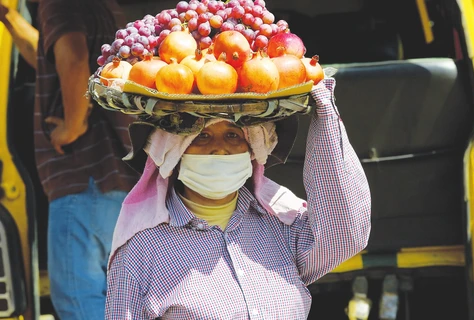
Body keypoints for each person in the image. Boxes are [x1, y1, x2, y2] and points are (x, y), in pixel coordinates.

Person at [104, 76, 372, 319]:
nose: (219, 149)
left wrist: (324, 112)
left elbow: (344, 234)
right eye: (201, 137)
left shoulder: (281, 228)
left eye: (232, 135)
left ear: (252, 150)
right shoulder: (141, 251)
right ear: (175, 155)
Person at [2, 0, 140, 318]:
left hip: (82, 178)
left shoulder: (58, 5)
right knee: (120, 301)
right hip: (117, 179)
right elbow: (51, 56)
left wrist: (71, 126)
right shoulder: (98, 7)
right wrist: (9, 18)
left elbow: (74, 58)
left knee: (78, 301)